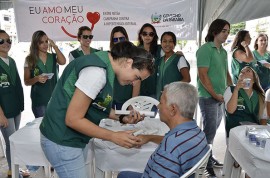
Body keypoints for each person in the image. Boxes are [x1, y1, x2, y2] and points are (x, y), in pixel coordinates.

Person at [40, 41, 155, 178]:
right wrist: (113, 136)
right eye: (136, 77)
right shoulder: (96, 73)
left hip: (71, 140)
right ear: (129, 63)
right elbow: (73, 119)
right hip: (62, 139)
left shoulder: (106, 64)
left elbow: (96, 104)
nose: (134, 83)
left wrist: (122, 117)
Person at [117, 82, 209, 178]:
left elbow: (171, 148)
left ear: (173, 109)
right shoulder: (197, 132)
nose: (158, 106)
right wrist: (149, 137)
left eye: (161, 103)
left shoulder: (169, 148)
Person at [196, 19, 232, 177]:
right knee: (209, 132)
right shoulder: (205, 49)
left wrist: (232, 91)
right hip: (208, 97)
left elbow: (226, 73)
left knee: (212, 131)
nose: (226, 34)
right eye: (224, 31)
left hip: (220, 98)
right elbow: (202, 75)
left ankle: (207, 157)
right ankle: (205, 164)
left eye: (228, 32)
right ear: (215, 31)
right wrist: (215, 95)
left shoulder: (223, 51)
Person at [24, 30, 66, 118]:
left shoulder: (53, 57)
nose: (45, 44)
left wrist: (54, 46)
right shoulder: (29, 59)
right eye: (41, 42)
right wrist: (36, 79)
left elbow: (63, 61)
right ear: (35, 44)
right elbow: (26, 82)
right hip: (40, 101)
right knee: (43, 127)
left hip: (54, 99)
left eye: (46, 41)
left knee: (55, 125)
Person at [0, 30, 24, 178]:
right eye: (1, 41)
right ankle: (13, 171)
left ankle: (14, 169)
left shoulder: (12, 61)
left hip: (15, 108)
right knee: (11, 142)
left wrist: (20, 106)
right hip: (4, 111)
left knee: (14, 140)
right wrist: (0, 114)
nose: (6, 44)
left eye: (8, 40)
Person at [224, 66, 265, 137]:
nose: (243, 72)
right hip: (236, 130)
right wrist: (236, 89)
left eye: (248, 71)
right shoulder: (231, 90)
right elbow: (230, 110)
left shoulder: (259, 96)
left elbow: (263, 118)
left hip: (254, 132)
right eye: (241, 72)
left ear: (254, 80)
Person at [109, 26, 140, 109]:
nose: (118, 41)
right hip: (111, 101)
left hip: (127, 102)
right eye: (115, 39)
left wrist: (131, 104)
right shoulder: (110, 57)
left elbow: (137, 82)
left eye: (121, 38)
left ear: (126, 38)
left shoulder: (134, 56)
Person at [156, 31, 190, 100]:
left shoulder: (179, 58)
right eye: (164, 41)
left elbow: (187, 79)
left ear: (174, 44)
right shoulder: (160, 60)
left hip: (175, 98)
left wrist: (172, 88)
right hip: (161, 99)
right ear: (161, 44)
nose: (167, 44)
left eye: (170, 41)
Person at [136, 23, 162, 98]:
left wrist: (178, 53)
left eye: (151, 34)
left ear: (154, 36)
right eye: (145, 33)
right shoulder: (136, 50)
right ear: (141, 35)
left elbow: (170, 54)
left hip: (155, 91)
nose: (148, 36)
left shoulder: (159, 49)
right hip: (139, 90)